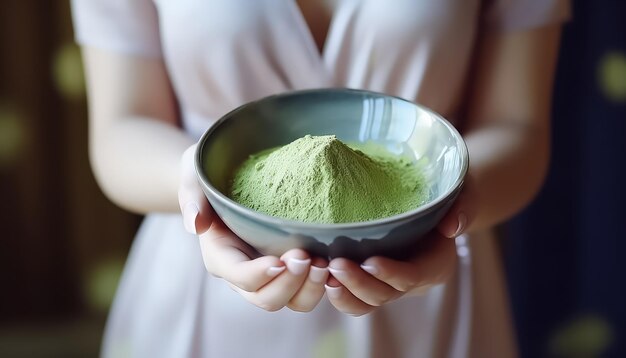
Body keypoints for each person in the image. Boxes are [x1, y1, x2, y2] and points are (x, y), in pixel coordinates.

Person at [71, 1, 570, 357]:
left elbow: (518, 127)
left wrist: (458, 199)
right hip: (205, 278)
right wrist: (193, 182)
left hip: (428, 289)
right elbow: (120, 130)